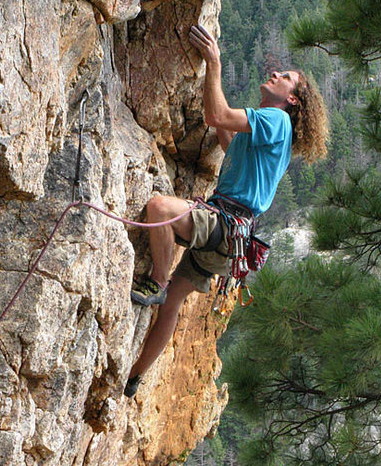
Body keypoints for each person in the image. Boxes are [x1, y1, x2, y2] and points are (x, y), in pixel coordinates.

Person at [124, 24, 328, 397]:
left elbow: (217, 116)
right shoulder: (271, 130)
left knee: (158, 208)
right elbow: (227, 138)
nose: (276, 74)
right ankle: (134, 377)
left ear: (293, 99)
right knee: (173, 305)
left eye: (285, 77)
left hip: (224, 223)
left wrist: (213, 63)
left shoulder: (275, 119)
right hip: (233, 241)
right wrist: (208, 82)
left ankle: (155, 279)